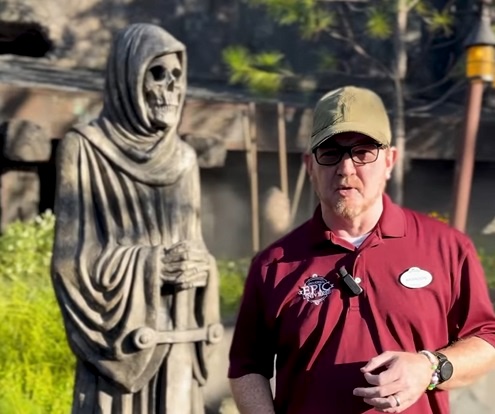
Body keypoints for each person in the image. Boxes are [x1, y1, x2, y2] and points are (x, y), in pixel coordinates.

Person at [227, 86, 495, 414]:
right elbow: (246, 367)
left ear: (390, 161)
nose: (346, 168)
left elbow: (487, 339)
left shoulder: (448, 248)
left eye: (363, 152)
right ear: (310, 165)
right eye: (330, 153)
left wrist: (430, 367)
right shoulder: (274, 265)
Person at [51, 23, 222, 414]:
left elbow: (195, 245)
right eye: (157, 74)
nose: (172, 87)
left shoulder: (184, 160)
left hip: (179, 343)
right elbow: (69, 262)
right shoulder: (85, 149)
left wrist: (203, 266)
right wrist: (152, 266)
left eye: (177, 75)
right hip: (122, 345)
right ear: (127, 77)